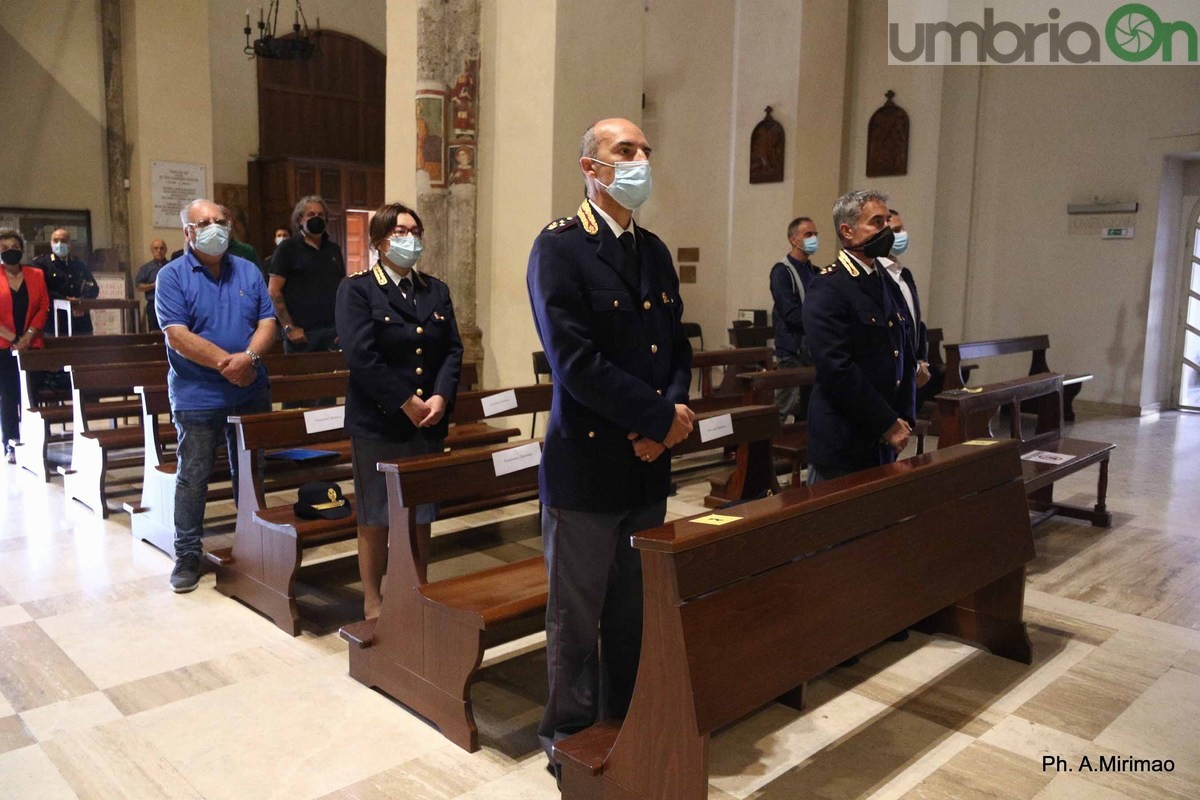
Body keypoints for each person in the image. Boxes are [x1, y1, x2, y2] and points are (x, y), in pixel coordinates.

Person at [526, 117, 694, 782]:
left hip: (647, 466)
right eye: (626, 151)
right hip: (588, 465)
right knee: (576, 615)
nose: (641, 161)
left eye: (646, 150)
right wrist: (657, 417)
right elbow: (575, 362)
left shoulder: (651, 249)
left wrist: (671, 417)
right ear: (591, 169)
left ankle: (622, 720)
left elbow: (674, 345)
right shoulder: (560, 249)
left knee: (632, 613)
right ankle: (567, 735)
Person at [335, 202, 463, 620]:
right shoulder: (357, 289)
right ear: (379, 242)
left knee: (421, 509)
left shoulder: (435, 290)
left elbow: (451, 350)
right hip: (380, 419)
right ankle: (373, 597)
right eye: (400, 232)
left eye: (415, 231)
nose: (410, 239)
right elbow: (361, 356)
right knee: (376, 513)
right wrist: (405, 401)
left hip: (428, 418)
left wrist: (441, 398)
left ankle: (415, 585)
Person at [155, 199, 275, 593]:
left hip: (250, 390)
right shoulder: (172, 276)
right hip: (198, 393)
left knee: (250, 471)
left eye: (221, 221)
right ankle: (188, 553)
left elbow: (267, 321)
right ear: (187, 232)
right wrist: (231, 364)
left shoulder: (248, 270)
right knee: (193, 476)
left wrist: (250, 358)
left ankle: (254, 543)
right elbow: (179, 335)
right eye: (204, 223)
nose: (215, 228)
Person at [802, 189, 917, 486]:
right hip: (845, 439)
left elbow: (901, 348)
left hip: (883, 435)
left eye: (886, 222)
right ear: (848, 231)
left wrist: (904, 417)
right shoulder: (829, 287)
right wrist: (886, 422)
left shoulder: (885, 280)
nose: (887, 230)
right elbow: (836, 368)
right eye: (877, 223)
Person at [269, 196, 345, 353]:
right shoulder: (287, 249)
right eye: (311, 215)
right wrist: (289, 328)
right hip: (302, 335)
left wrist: (344, 326)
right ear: (300, 220)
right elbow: (274, 291)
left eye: (320, 215)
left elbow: (342, 289)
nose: (316, 218)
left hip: (333, 332)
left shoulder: (334, 249)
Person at [0, 229, 50, 464]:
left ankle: (34, 442)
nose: (10, 251)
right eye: (4, 248)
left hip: (32, 345)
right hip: (3, 346)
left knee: (31, 395)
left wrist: (28, 337)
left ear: (22, 249)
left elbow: (43, 306)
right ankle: (10, 443)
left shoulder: (36, 274)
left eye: (14, 247)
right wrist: (13, 339)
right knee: (9, 396)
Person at [881, 209, 937, 404]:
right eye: (897, 230)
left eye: (903, 229)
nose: (903, 235)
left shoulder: (905, 274)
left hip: (910, 368)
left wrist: (921, 360)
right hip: (890, 369)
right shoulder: (875, 275)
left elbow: (915, 321)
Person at [770, 216, 820, 422]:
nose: (814, 239)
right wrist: (820, 320)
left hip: (812, 349)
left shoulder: (815, 271)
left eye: (816, 235)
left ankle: (804, 450)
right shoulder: (782, 271)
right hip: (792, 349)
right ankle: (768, 451)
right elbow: (790, 314)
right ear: (793, 239)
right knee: (784, 406)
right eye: (808, 235)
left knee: (810, 407)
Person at [33, 228, 98, 335]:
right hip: (55, 323)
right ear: (51, 243)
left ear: (70, 244)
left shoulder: (79, 264)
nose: (59, 244)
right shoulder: (41, 264)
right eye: (56, 240)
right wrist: (66, 301)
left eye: (63, 241)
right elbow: (40, 291)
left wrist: (81, 302)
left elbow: (94, 289)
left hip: (80, 323)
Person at [134, 239, 170, 331]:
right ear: (151, 250)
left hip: (171, 303)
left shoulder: (172, 266)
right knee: (154, 332)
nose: (159, 251)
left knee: (171, 331)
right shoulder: (146, 268)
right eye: (156, 248)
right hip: (153, 304)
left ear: (165, 250)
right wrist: (154, 285)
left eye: (161, 248)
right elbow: (138, 286)